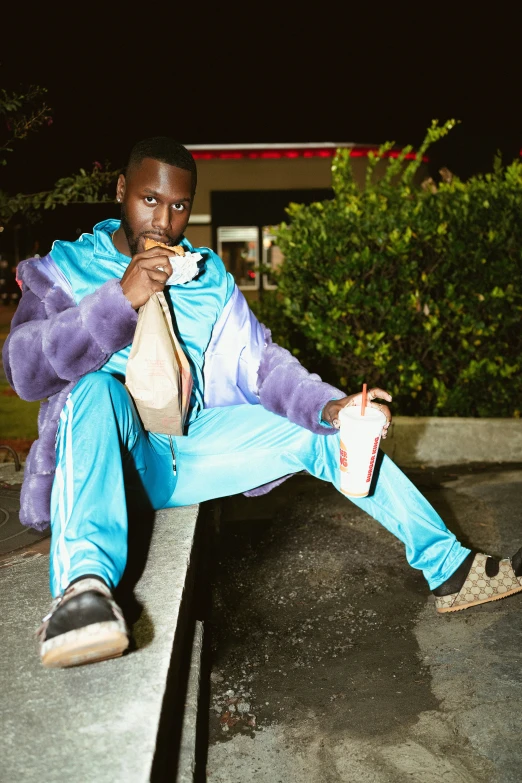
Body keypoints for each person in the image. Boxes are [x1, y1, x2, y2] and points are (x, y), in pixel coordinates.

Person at [4, 137, 522, 669]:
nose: (163, 221)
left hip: (186, 449)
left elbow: (261, 365)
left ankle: (451, 570)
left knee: (329, 434)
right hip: (105, 458)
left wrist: (331, 407)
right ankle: (82, 592)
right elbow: (23, 370)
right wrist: (118, 299)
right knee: (96, 390)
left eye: (179, 205)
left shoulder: (204, 278)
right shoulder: (65, 268)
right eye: (149, 200)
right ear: (121, 191)